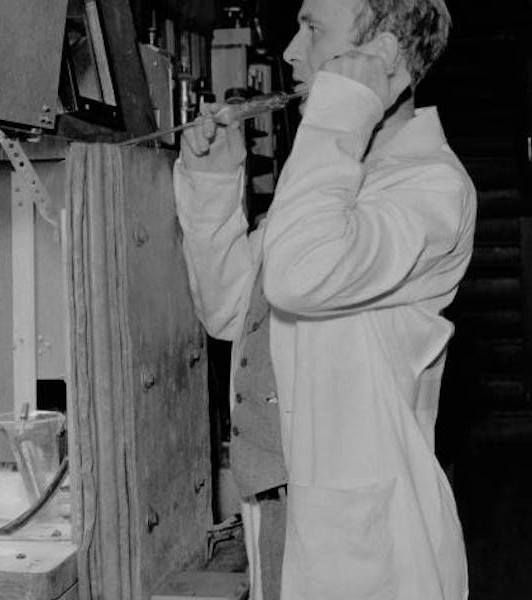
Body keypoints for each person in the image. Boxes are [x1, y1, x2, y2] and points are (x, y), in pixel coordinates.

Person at [173, 0, 475, 598]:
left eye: (312, 29)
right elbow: (230, 309)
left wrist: (343, 107)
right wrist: (213, 184)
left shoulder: (431, 187)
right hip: (280, 514)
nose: (290, 51)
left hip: (359, 545)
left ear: (383, 52)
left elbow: (300, 276)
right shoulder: (331, 176)